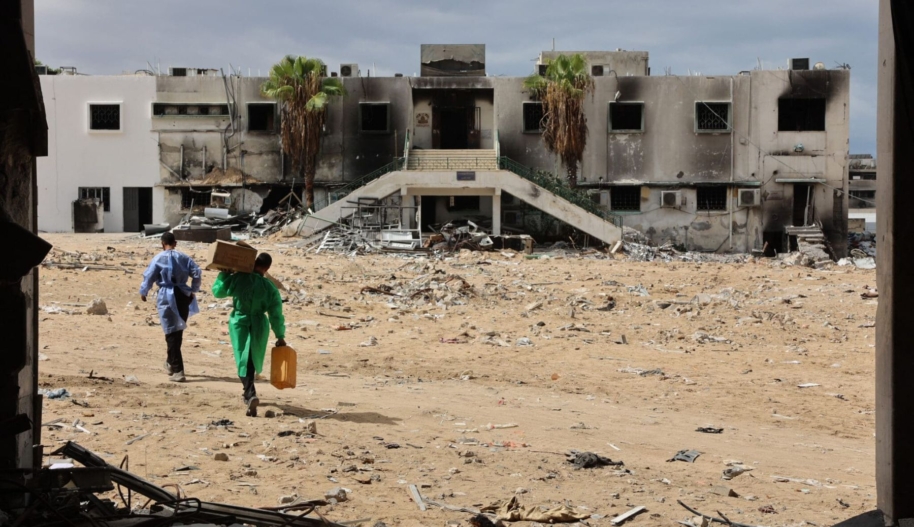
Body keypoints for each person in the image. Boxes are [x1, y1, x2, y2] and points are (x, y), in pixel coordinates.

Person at [211, 253, 286, 417]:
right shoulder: (270, 287)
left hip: (240, 321)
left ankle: (250, 393)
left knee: (241, 357)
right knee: (251, 357)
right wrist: (280, 335)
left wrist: (224, 273)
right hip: (259, 324)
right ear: (267, 269)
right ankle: (248, 393)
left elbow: (218, 291)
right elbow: (276, 314)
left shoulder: (239, 278)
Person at [139, 232, 202, 382]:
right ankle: (170, 363)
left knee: (170, 333)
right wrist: (193, 290)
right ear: (175, 243)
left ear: (162, 244)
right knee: (177, 332)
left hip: (167, 296)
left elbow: (149, 276)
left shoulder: (158, 258)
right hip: (182, 295)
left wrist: (144, 291)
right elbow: (197, 272)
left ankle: (178, 370)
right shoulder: (184, 257)